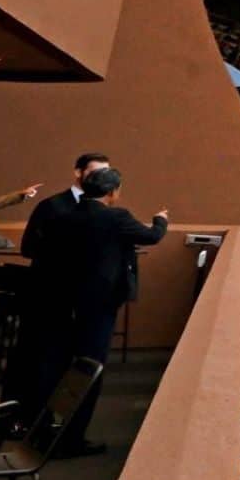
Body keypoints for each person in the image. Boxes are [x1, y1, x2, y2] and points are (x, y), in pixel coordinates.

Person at [67, 165, 168, 457]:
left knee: (67, 363)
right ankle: (74, 437)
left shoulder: (67, 214)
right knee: (90, 366)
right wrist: (160, 221)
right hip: (100, 302)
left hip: (67, 298)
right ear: (112, 192)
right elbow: (151, 237)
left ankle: (54, 428)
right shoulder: (115, 217)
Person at [4, 153, 109, 417]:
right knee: (35, 358)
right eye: (96, 173)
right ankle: (19, 420)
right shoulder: (53, 206)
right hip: (47, 294)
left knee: (66, 365)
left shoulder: (101, 211)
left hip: (79, 300)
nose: (102, 179)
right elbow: (29, 247)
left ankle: (51, 426)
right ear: (78, 172)